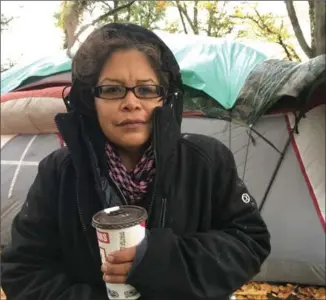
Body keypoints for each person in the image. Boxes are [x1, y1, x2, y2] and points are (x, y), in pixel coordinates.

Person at [1, 23, 271, 300]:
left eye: (145, 89)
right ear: (88, 101)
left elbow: (249, 242)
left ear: (165, 98)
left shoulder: (206, 160)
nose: (131, 102)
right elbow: (24, 271)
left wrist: (156, 260)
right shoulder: (59, 172)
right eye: (112, 90)